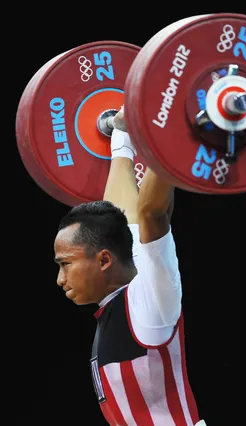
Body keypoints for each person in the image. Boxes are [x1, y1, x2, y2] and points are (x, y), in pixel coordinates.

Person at [54, 106, 207, 426]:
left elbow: (152, 212)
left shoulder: (151, 301)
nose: (59, 278)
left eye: (66, 264)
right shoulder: (119, 302)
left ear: (104, 260)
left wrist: (172, 135)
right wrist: (122, 135)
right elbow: (123, 216)